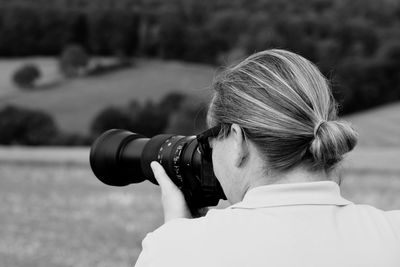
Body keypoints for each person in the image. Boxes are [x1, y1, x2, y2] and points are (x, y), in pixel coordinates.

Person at [135, 49, 400, 267]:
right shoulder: (392, 235)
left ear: (237, 141)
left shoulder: (173, 250)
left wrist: (178, 238)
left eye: (209, 143)